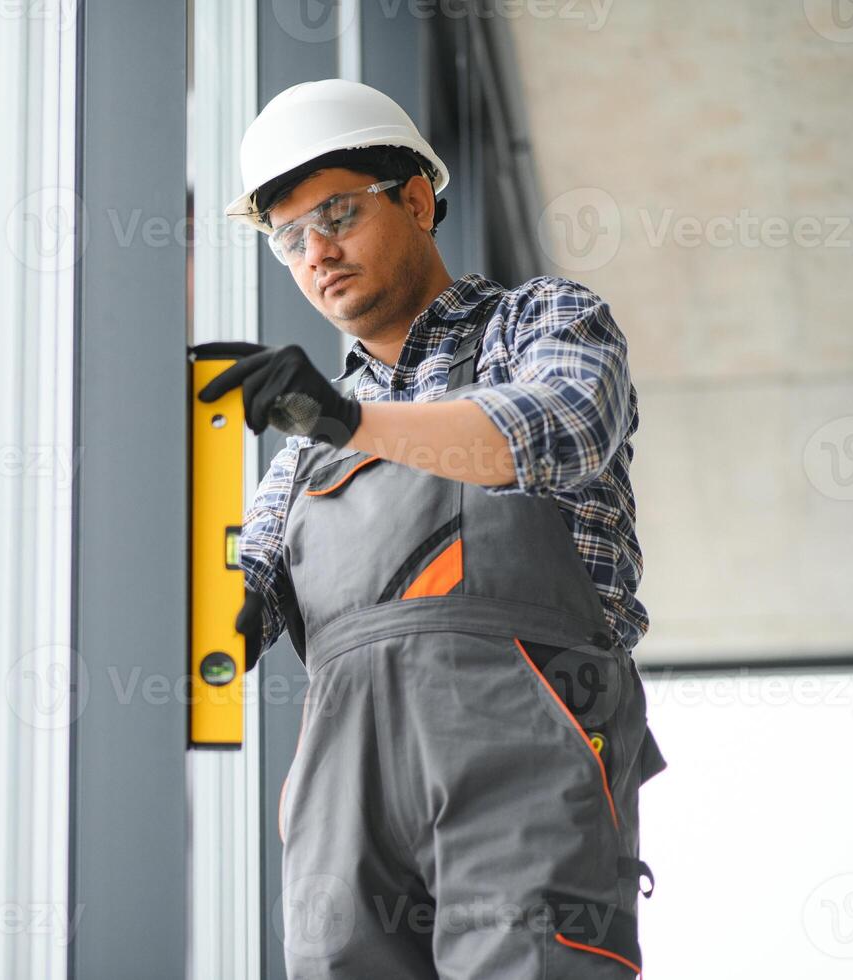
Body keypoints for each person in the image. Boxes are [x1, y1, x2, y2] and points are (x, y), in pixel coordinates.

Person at [196, 79, 666, 979]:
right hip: (347, 782)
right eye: (289, 236)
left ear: (415, 198)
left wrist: (348, 424)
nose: (315, 252)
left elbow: (558, 425)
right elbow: (238, 602)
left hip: (530, 737)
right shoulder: (298, 451)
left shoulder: (540, 320)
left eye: (336, 213)